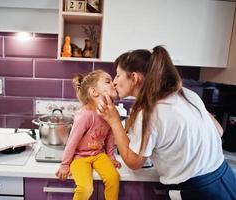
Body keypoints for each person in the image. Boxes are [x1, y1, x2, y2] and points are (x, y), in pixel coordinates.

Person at [96, 45, 236, 200]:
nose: (114, 82)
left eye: (118, 75)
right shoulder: (186, 94)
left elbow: (134, 162)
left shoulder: (149, 113)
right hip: (226, 178)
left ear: (134, 78)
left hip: (200, 192)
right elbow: (218, 130)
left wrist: (114, 120)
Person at [56, 69, 121, 200]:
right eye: (108, 81)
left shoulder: (111, 111)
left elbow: (110, 136)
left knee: (114, 178)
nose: (113, 83)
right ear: (94, 92)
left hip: (98, 154)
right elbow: (72, 141)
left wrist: (111, 157)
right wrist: (65, 164)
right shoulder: (85, 115)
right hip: (79, 157)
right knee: (86, 188)